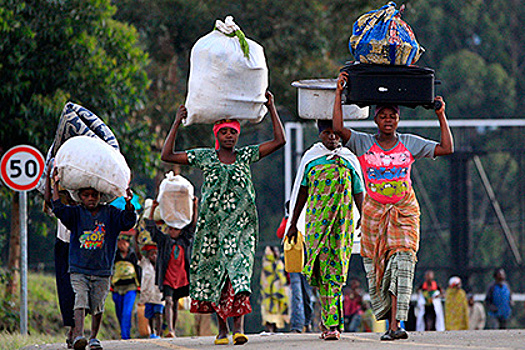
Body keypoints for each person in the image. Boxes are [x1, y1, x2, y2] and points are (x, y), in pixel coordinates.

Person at [333, 71, 454, 341]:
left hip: (404, 212)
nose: (388, 120)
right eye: (383, 116)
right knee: (382, 270)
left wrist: (440, 114)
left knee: (402, 264)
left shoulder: (410, 143)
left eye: (393, 116)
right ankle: (390, 322)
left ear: (398, 119)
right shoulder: (363, 143)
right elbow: (339, 129)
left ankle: (396, 325)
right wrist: (339, 94)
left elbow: (447, 148)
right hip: (375, 213)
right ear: (375, 118)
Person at [160, 91, 285, 345]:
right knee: (217, 275)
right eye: (224, 132)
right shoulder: (205, 157)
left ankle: (238, 327)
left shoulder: (245, 156)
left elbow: (279, 141)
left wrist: (272, 107)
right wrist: (176, 121)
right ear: (216, 135)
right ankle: (222, 329)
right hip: (212, 229)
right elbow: (168, 156)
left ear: (238, 135)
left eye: (233, 132)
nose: (229, 136)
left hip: (242, 229)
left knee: (239, 275)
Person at [286, 119, 364, 341]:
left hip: (342, 225)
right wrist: (293, 223)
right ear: (320, 134)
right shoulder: (311, 159)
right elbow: (301, 192)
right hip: (316, 225)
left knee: (336, 271)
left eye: (335, 133)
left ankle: (332, 325)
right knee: (321, 272)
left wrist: (363, 215)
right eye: (327, 133)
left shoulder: (348, 160)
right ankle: (329, 322)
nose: (332, 137)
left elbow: (358, 190)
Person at [51, 170, 137, 350]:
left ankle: (93, 338)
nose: (91, 198)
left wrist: (129, 204)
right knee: (80, 299)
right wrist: (52, 185)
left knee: (98, 305)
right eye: (86, 195)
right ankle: (79, 335)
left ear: (100, 196)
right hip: (78, 269)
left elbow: (128, 221)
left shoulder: (111, 214)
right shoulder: (75, 214)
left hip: (102, 270)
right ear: (80, 197)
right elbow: (57, 207)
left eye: (94, 195)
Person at [145, 198, 196, 338]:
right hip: (167, 276)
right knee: (167, 300)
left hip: (181, 277)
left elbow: (192, 226)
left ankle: (172, 328)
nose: (173, 231)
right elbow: (151, 228)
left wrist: (194, 206)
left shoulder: (184, 240)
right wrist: (152, 210)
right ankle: (171, 330)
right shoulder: (164, 241)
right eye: (171, 228)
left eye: (176, 229)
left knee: (174, 303)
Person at [44, 170, 76, 348]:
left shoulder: (83, 208)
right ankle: (73, 328)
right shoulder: (61, 208)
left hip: (81, 247)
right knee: (65, 288)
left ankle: (77, 329)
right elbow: (49, 201)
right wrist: (53, 182)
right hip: (63, 247)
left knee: (81, 287)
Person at [276, 202, 314, 334]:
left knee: (307, 295)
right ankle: (297, 326)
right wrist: (288, 220)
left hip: (307, 260)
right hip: (294, 261)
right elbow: (280, 233)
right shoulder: (287, 220)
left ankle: (307, 322)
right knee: (297, 294)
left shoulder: (308, 218)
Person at [111, 232, 140, 340]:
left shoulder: (133, 255)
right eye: (119, 242)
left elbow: (138, 270)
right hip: (117, 288)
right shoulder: (115, 255)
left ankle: (125, 337)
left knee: (127, 312)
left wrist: (140, 285)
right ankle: (123, 332)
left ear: (128, 244)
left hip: (130, 287)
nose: (121, 245)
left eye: (124, 242)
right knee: (119, 312)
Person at [134, 237, 165, 339]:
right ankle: (152, 332)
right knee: (150, 315)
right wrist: (136, 238)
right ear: (147, 255)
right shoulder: (144, 263)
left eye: (156, 254)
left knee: (158, 313)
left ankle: (159, 333)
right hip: (147, 294)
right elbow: (137, 253)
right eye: (151, 254)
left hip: (158, 294)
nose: (154, 256)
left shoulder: (162, 263)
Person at [260, 246, 289, 333]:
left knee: (278, 310)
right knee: (269, 310)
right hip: (268, 292)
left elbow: (281, 276)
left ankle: (275, 327)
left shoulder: (279, 263)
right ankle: (269, 327)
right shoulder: (267, 263)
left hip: (278, 291)